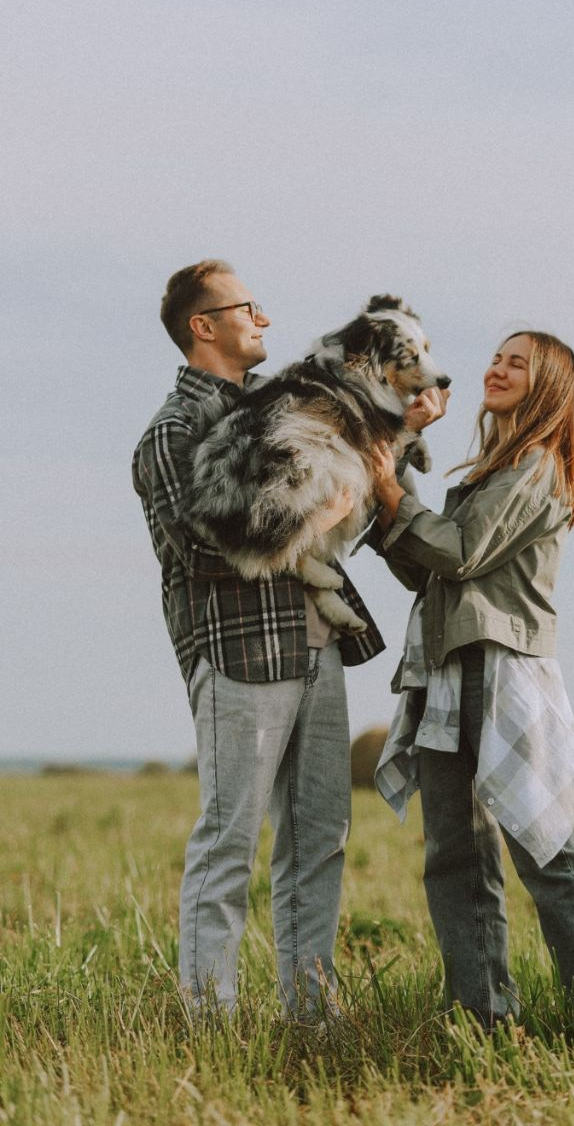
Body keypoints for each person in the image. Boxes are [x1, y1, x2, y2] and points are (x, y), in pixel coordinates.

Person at [132, 258, 443, 1018]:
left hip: (314, 648)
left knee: (320, 840)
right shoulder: (173, 432)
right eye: (248, 307)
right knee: (228, 841)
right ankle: (209, 1021)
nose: (264, 319)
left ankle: (311, 1013)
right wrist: (330, 509)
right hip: (239, 654)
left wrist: (394, 442)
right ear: (204, 327)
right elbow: (210, 552)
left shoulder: (286, 409)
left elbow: (341, 524)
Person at [369, 330, 574, 1028]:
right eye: (495, 357)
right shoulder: (486, 472)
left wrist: (391, 490)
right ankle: (481, 1018)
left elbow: (454, 552)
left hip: (500, 670)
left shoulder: (537, 468)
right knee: (453, 855)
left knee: (545, 846)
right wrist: (385, 485)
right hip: (445, 668)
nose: (496, 368)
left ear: (546, 384)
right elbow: (428, 571)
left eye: (517, 362)